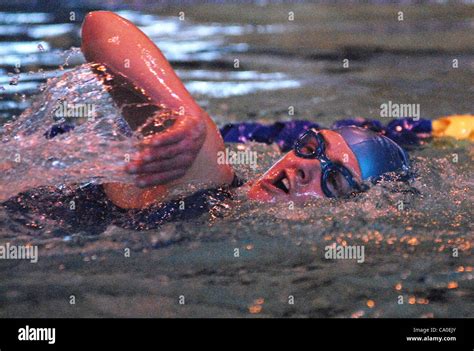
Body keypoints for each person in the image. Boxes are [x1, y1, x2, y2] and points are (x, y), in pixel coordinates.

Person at [78, 11, 472, 209]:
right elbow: (100, 25)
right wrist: (184, 113)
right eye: (311, 146)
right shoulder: (207, 175)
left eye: (333, 182)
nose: (304, 167)